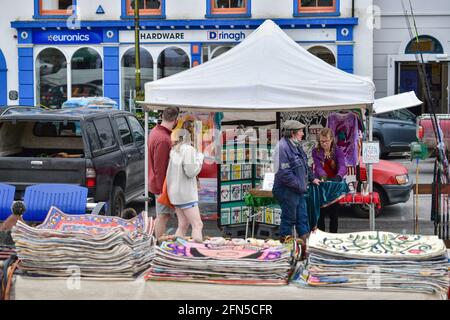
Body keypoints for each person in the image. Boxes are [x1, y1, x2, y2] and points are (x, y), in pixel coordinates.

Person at [272, 120, 321, 251]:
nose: (303, 134)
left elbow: (304, 165)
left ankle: (305, 250)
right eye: (300, 131)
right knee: (289, 219)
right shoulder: (282, 148)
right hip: (286, 190)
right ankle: (286, 252)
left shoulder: (296, 146)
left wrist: (312, 178)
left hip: (297, 190)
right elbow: (284, 173)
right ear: (293, 133)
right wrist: (300, 185)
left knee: (302, 219)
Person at [166, 121, 205, 243]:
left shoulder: (175, 149)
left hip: (175, 193)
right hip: (186, 194)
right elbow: (191, 171)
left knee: (182, 225)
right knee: (197, 225)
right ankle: (196, 253)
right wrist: (200, 159)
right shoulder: (189, 149)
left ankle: (175, 251)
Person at [148, 106, 179, 240]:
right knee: (163, 215)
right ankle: (158, 243)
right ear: (175, 120)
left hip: (156, 182)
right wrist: (163, 191)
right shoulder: (163, 139)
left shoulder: (155, 131)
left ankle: (158, 240)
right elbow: (160, 168)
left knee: (163, 215)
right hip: (160, 185)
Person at [312, 128, 347, 233]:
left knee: (334, 213)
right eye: (321, 141)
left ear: (331, 139)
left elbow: (343, 166)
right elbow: (318, 166)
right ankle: (321, 236)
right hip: (321, 184)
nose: (324, 144)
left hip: (334, 184)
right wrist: (323, 176)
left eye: (326, 141)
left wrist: (339, 176)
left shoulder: (338, 151)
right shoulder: (316, 151)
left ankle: (334, 236)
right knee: (320, 214)